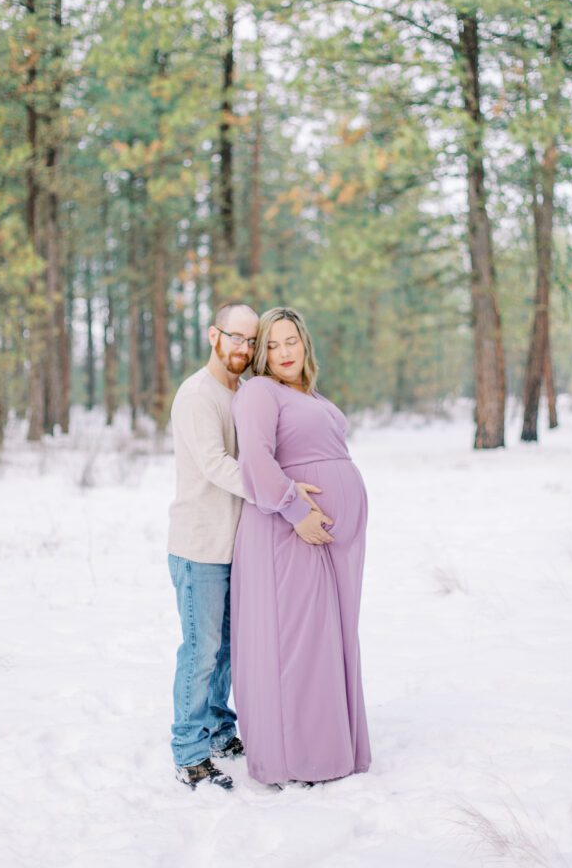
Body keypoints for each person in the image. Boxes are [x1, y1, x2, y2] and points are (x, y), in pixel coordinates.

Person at [167, 301, 325, 790]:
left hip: (238, 544)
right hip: (201, 546)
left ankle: (218, 729)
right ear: (214, 336)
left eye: (252, 340)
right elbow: (217, 465)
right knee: (201, 650)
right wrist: (280, 492)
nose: (246, 348)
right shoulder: (198, 395)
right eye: (236, 337)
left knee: (230, 649)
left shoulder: (242, 391)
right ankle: (189, 751)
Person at [230, 306, 371, 786]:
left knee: (329, 637)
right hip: (287, 532)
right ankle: (299, 755)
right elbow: (255, 458)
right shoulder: (259, 393)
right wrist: (296, 509)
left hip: (327, 537)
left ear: (304, 343)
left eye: (290, 341)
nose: (282, 352)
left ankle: (332, 744)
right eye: (270, 345)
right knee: (299, 640)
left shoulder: (306, 393)